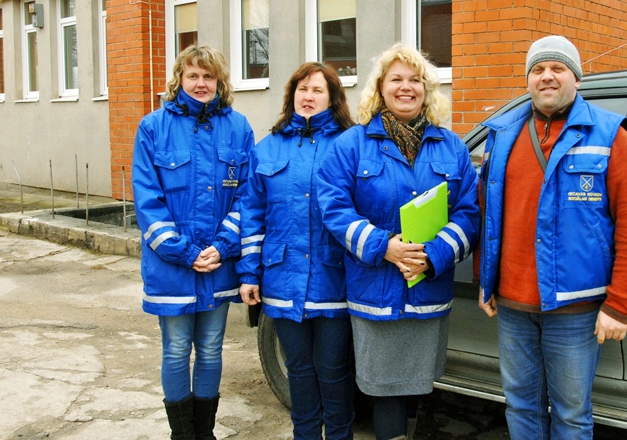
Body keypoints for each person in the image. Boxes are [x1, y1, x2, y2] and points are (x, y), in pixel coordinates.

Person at [475, 35, 627, 439]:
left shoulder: (609, 135)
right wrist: (485, 281)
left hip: (576, 309)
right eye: (538, 69)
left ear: (577, 78)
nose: (547, 76)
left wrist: (620, 304)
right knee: (520, 406)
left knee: (571, 414)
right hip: (513, 307)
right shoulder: (502, 135)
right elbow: (488, 213)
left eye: (558, 68)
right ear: (528, 80)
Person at [317, 43, 480, 440]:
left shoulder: (452, 146)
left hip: (427, 288)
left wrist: (435, 254)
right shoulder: (352, 145)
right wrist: (383, 246)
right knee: (385, 389)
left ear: (426, 89)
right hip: (376, 291)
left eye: (415, 80)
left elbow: (470, 212)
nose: (406, 87)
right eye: (396, 80)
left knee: (418, 387)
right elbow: (333, 208)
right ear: (380, 88)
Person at [132, 45, 254, 440]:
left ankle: (205, 433)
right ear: (179, 80)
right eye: (193, 76)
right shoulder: (153, 127)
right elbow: (147, 201)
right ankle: (182, 435)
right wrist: (185, 252)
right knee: (176, 348)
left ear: (220, 82)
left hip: (219, 262)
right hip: (172, 268)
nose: (201, 84)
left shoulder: (239, 127)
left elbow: (248, 196)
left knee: (212, 347)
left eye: (208, 76)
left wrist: (223, 245)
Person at [237, 62, 356, 440]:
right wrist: (249, 273)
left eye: (318, 90)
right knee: (299, 372)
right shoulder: (267, 148)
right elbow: (252, 215)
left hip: (333, 280)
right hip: (282, 280)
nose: (308, 96)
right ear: (291, 96)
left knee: (334, 371)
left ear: (332, 99)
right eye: (302, 89)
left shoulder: (350, 144)